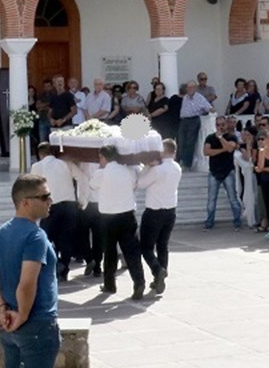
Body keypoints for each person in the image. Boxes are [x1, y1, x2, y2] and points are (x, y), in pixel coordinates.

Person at [0, 174, 61, 368]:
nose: (50, 201)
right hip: (35, 323)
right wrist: (22, 314)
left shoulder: (1, 233)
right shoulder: (35, 237)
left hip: (10, 324)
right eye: (44, 197)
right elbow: (27, 283)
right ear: (26, 202)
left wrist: (3, 307)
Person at [91, 145, 146, 299]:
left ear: (103, 157)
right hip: (127, 214)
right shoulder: (128, 170)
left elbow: (92, 186)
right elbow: (134, 185)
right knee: (132, 252)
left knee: (110, 252)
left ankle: (110, 284)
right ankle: (139, 281)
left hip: (108, 217)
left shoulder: (101, 173)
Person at [30, 143, 88, 281]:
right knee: (66, 238)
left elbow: (33, 188)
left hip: (50, 205)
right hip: (69, 204)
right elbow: (82, 178)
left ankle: (55, 265)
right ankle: (64, 267)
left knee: (46, 238)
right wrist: (82, 198)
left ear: (40, 154)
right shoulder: (66, 163)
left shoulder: (37, 166)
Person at [137, 139, 182, 294]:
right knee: (163, 245)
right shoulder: (177, 167)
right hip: (170, 211)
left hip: (154, 211)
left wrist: (148, 167)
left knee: (146, 247)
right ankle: (160, 277)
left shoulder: (157, 170)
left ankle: (158, 270)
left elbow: (140, 183)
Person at [203, 117, 243, 230]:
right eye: (218, 124)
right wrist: (222, 150)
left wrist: (221, 138)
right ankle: (209, 222)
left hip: (228, 171)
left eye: (222, 124)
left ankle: (237, 221)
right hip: (214, 171)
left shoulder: (232, 137)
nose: (220, 127)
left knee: (233, 198)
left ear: (226, 124)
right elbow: (206, 152)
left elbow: (230, 149)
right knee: (211, 199)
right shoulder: (210, 137)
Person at [178, 81, 215, 169]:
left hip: (193, 120)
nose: (190, 89)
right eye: (188, 87)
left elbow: (208, 107)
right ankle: (181, 160)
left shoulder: (199, 98)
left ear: (195, 88)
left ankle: (187, 164)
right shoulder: (185, 97)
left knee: (190, 142)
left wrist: (211, 111)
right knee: (181, 141)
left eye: (192, 87)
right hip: (184, 120)